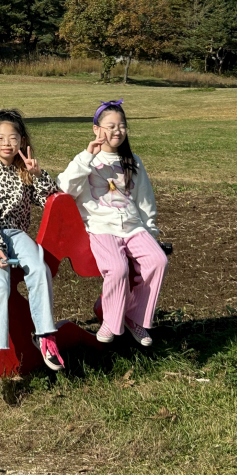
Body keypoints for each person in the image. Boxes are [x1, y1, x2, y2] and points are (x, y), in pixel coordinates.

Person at [58, 100, 167, 347]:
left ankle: (135, 317)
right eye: (111, 126)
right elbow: (65, 188)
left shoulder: (133, 161)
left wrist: (150, 230)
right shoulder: (86, 160)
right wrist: (87, 156)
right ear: (96, 129)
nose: (117, 131)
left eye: (122, 126)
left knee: (158, 261)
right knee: (117, 269)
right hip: (101, 228)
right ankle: (110, 320)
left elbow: (144, 199)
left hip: (133, 227)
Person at [0, 109, 63, 393]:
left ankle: (45, 336)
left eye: (13, 138)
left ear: (22, 141)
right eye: (0, 138)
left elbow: (49, 198)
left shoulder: (24, 171)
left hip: (17, 234)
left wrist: (38, 174)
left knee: (39, 267)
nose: (7, 143)